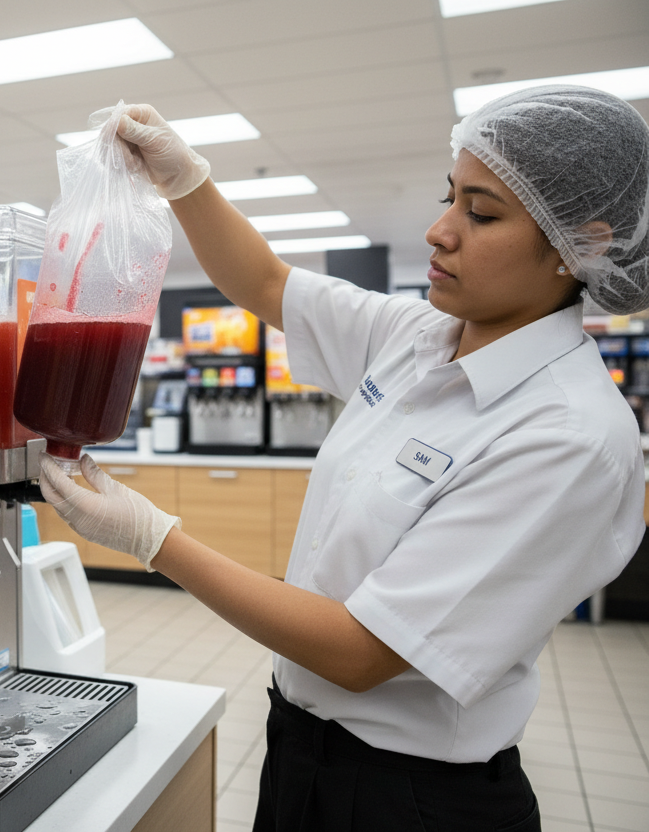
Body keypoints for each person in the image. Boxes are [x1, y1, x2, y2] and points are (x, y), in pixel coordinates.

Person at [38, 85, 649, 831]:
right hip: (298, 750)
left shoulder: (570, 437)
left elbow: (362, 652)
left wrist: (151, 538)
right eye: (448, 197)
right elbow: (265, 283)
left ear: (579, 245)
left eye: (481, 213)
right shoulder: (417, 335)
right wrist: (185, 179)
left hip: (414, 799)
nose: (439, 230)